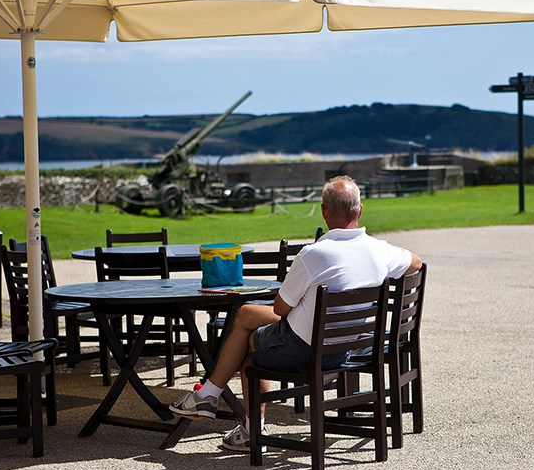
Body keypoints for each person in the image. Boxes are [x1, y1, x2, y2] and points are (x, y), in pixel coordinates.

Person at [170, 175, 422, 451]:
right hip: (347, 348)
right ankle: (215, 400)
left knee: (251, 346)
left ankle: (234, 415)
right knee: (245, 315)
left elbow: (280, 308)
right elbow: (416, 263)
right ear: (359, 211)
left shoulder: (313, 255)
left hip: (306, 351)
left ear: (324, 212)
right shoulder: (380, 251)